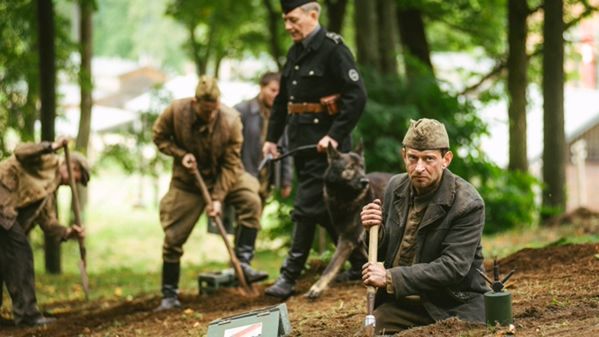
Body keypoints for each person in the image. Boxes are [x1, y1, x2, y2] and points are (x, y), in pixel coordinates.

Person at [263, 0, 367, 298]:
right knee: (323, 209)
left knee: (305, 208)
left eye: (293, 19)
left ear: (313, 14)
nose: (288, 27)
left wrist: (334, 135)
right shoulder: (295, 52)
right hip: (301, 145)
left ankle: (289, 276)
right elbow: (283, 101)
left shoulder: (333, 49)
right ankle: (360, 261)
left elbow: (356, 96)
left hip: (328, 152)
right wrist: (272, 138)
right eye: (284, 20)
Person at [360, 118, 488, 334]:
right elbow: (383, 252)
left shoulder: (468, 203)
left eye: (429, 159)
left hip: (451, 306)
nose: (419, 168)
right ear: (404, 156)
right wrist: (372, 229)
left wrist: (390, 277)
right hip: (403, 304)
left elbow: (453, 268)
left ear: (446, 159)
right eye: (413, 158)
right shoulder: (395, 187)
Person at [152, 75, 268, 311]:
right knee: (173, 236)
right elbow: (159, 137)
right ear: (195, 103)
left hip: (225, 176)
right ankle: (169, 294)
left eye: (214, 110)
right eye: (206, 111)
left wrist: (217, 198)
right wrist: (179, 153)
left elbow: (231, 163)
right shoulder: (175, 111)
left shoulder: (231, 120)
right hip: (188, 183)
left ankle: (243, 262)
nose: (211, 115)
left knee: (250, 199)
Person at [0, 138, 89, 326]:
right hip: (2, 205)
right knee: (20, 254)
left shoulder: (49, 189)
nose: (72, 183)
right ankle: (27, 315)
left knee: (5, 259)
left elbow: (48, 222)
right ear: (72, 167)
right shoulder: (47, 160)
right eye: (77, 178)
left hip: (6, 215)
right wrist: (51, 146)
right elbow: (21, 151)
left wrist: (68, 232)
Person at [234, 72, 292, 205]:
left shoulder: (281, 116)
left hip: (266, 178)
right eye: (272, 90)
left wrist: (285, 180)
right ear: (261, 87)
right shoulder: (242, 110)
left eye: (279, 91)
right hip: (243, 174)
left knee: (255, 218)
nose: (276, 94)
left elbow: (286, 148)